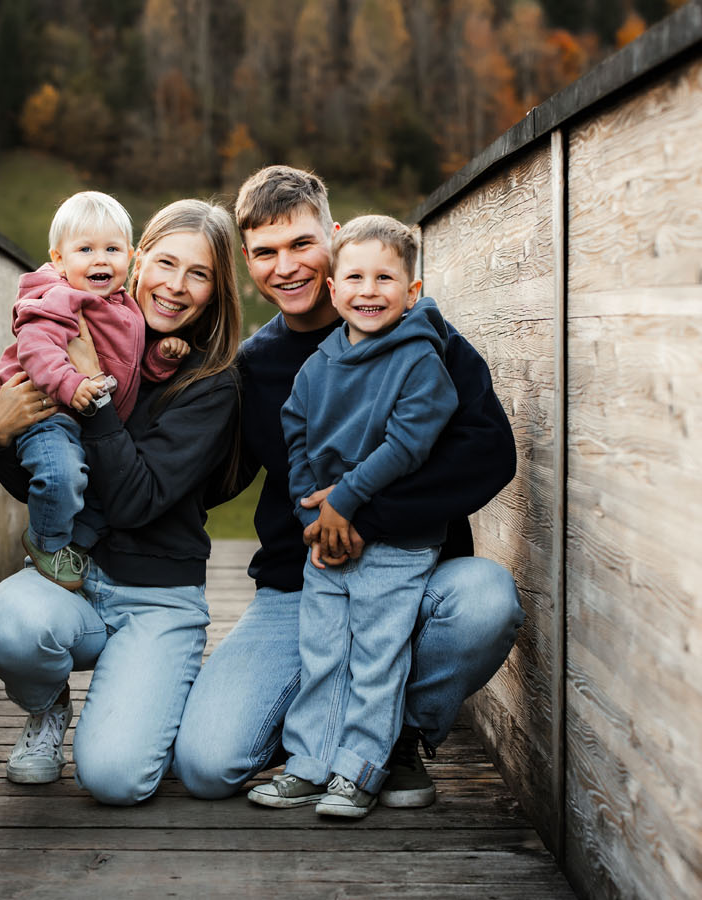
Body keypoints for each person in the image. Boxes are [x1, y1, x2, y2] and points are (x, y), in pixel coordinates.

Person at [174, 165, 524, 809]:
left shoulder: (422, 336)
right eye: (266, 253)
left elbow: (490, 455)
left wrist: (364, 515)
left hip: (409, 571)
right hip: (298, 584)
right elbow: (204, 474)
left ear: (333, 239)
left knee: (486, 600)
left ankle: (392, 739)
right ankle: (324, 732)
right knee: (204, 765)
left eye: (302, 244)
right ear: (248, 262)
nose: (287, 267)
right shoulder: (253, 365)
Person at [0, 199, 242, 805]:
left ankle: (162, 683)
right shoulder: (85, 325)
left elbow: (133, 500)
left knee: (114, 779)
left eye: (198, 274)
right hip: (76, 578)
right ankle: (47, 709)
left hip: (157, 597)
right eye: (166, 264)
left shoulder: (211, 381)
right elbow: (43, 477)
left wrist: (92, 396)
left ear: (215, 289)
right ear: (140, 262)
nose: (175, 286)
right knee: (11, 625)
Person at [246, 216, 457, 818]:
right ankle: (311, 764)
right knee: (324, 651)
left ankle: (361, 768)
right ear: (333, 291)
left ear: (411, 292)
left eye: (385, 278)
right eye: (355, 278)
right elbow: (296, 435)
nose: (369, 291)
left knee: (377, 655)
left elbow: (408, 443)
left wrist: (346, 499)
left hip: (397, 546)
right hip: (324, 543)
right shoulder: (319, 364)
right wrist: (311, 510)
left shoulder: (421, 358)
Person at [0, 191, 190, 590]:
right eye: (85, 249)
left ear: (130, 255)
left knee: (99, 495)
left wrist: (160, 359)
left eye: (112, 249)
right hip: (49, 414)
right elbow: (36, 347)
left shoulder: (125, 308)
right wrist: (73, 383)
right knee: (60, 476)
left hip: (86, 421)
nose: (101, 259)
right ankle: (46, 543)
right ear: (59, 259)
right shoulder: (57, 297)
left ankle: (73, 549)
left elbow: (125, 369)